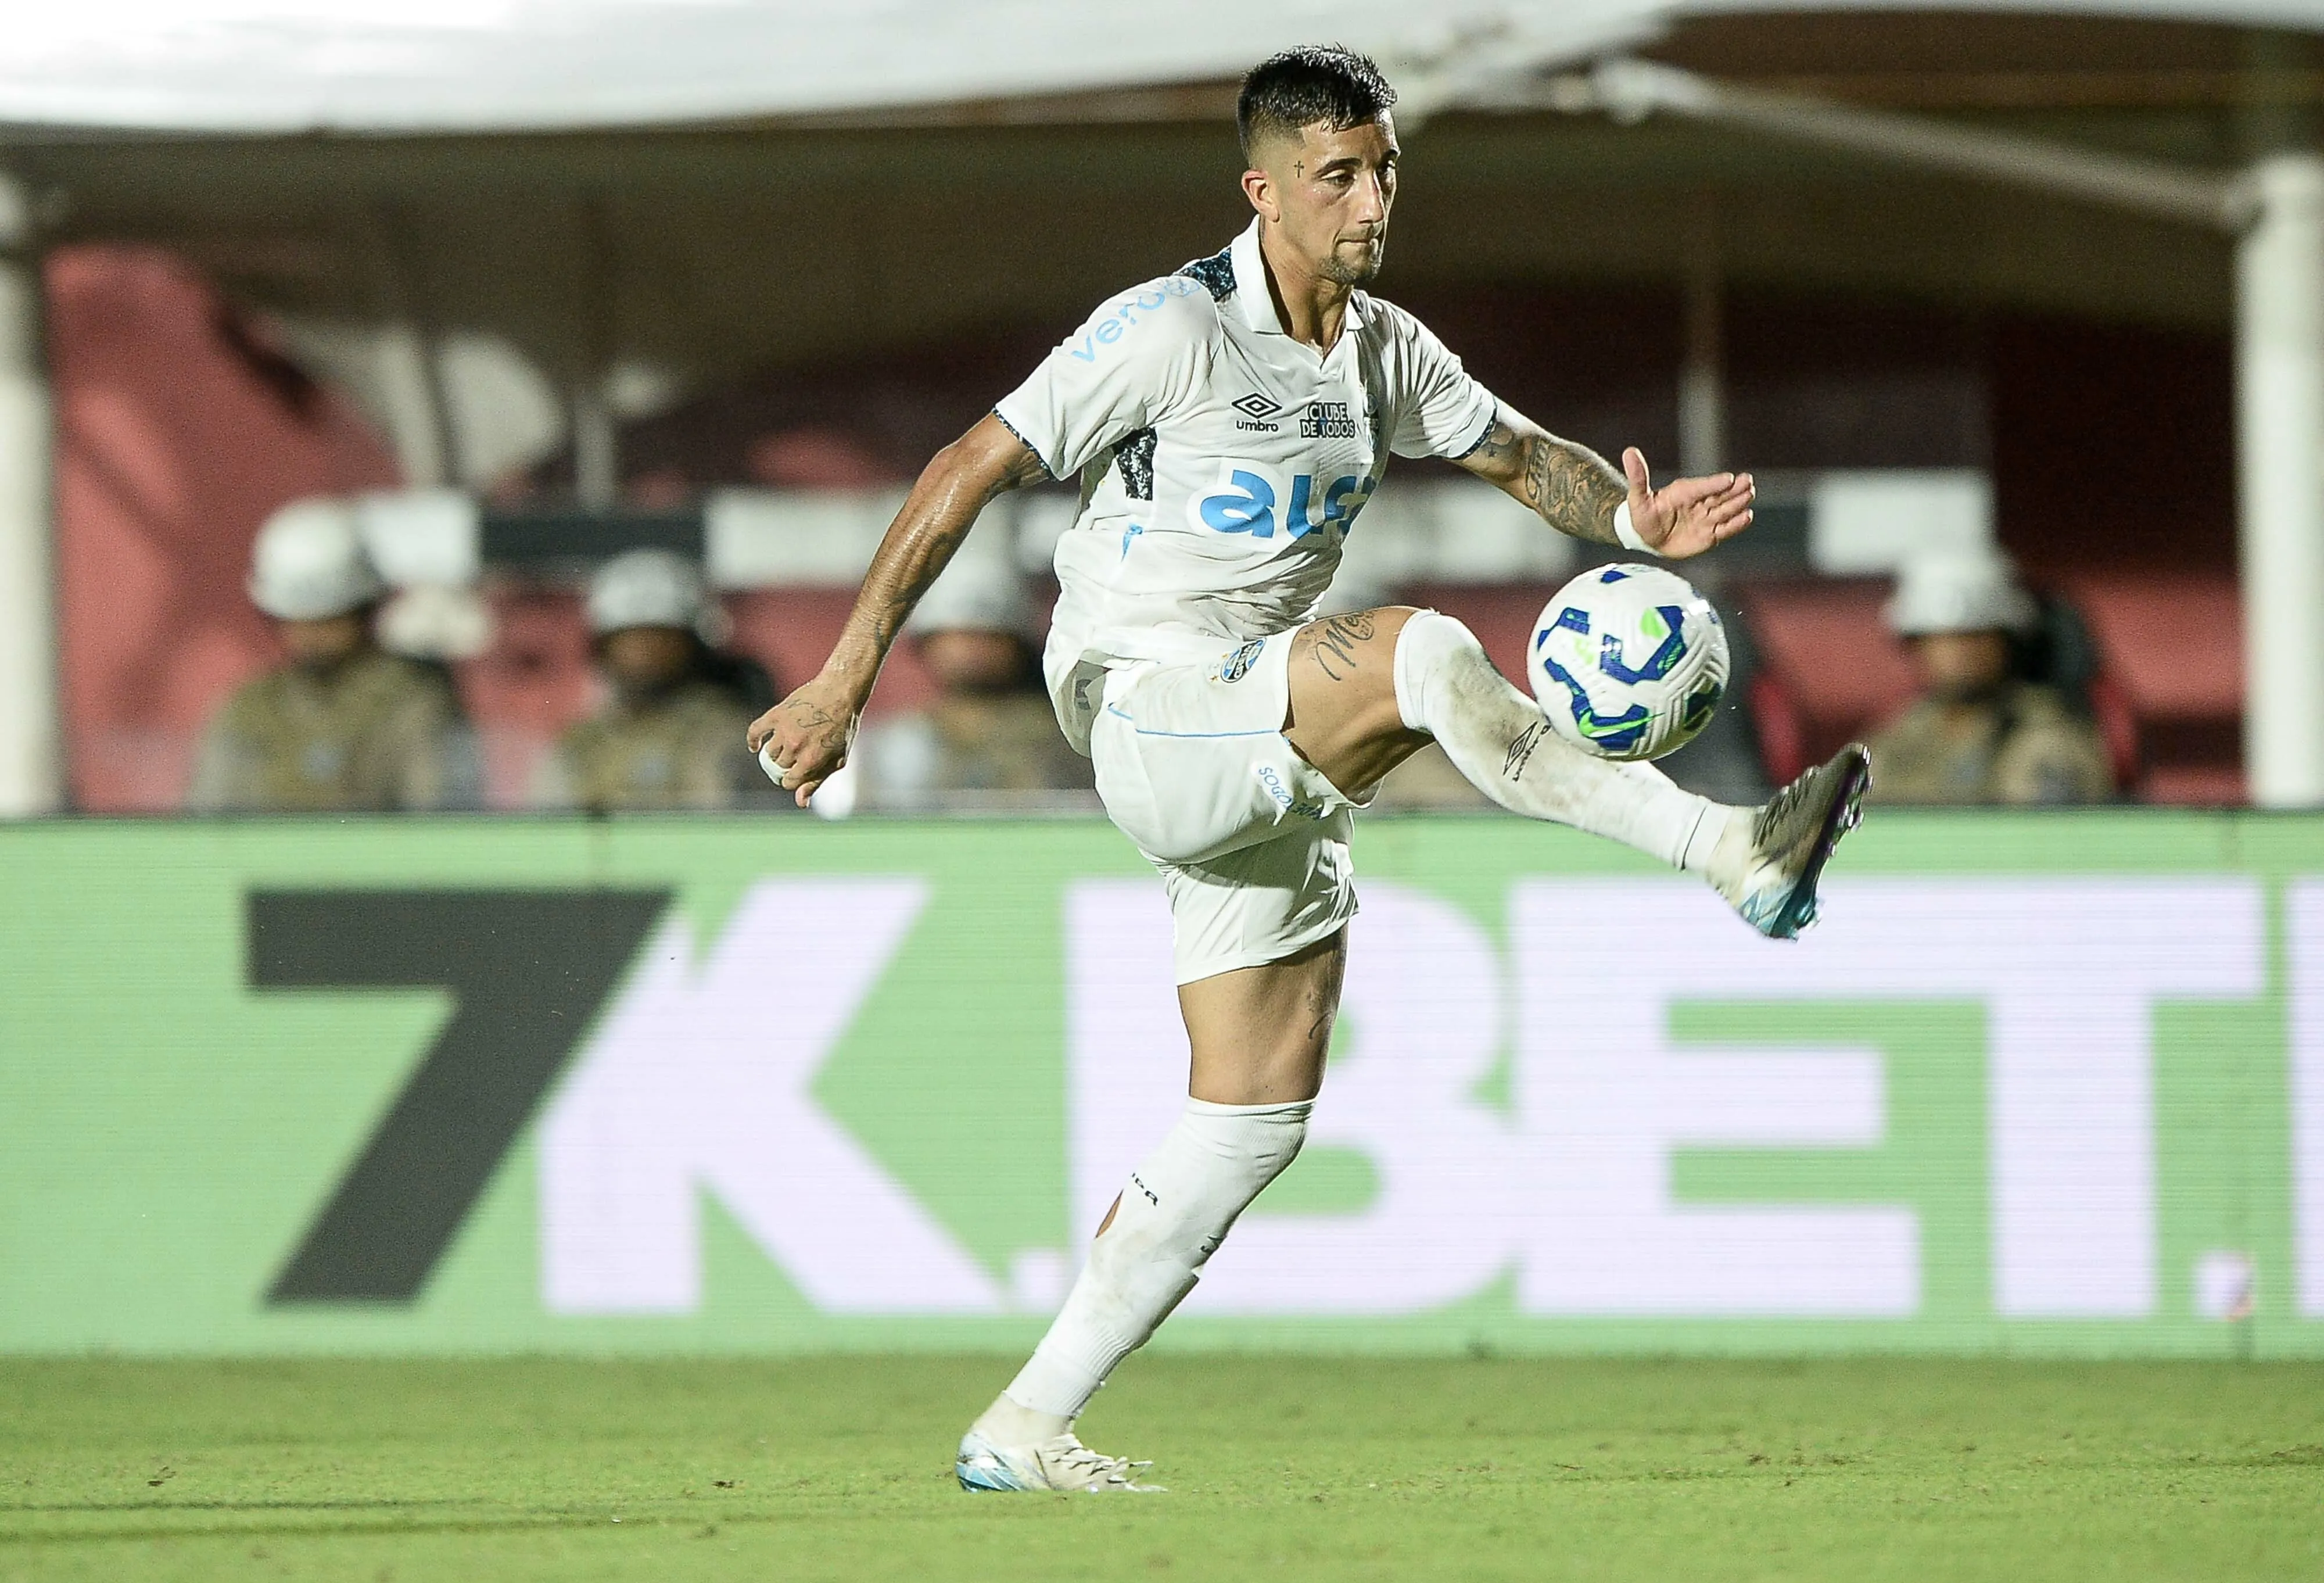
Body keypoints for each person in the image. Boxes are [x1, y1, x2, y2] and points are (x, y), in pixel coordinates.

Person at [748, 46, 1871, 1493]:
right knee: (1413, 653)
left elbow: (1521, 456)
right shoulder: (1169, 329)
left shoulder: (1382, 349)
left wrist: (1633, 526)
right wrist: (846, 675)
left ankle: (1022, 1423)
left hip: (1260, 741)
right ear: (1261, 186)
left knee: (1252, 1110)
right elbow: (969, 462)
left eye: (1385, 165)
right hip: (1148, 707)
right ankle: (1730, 850)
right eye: (1336, 173)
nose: (1368, 197)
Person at [188, 498, 479, 812]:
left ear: (365, 611)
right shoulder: (251, 709)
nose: (310, 636)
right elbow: (208, 823)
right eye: (295, 621)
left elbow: (439, 823)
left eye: (329, 620)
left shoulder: (414, 704)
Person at [1865, 552, 2113, 806]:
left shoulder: (2046, 734)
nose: (1960, 651)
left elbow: (2048, 832)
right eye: (1943, 638)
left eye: (1976, 636)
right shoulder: (1898, 737)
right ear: (1915, 646)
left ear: (2007, 643)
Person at [533, 549, 770, 812]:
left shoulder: (733, 732)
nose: (646, 650)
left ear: (693, 644)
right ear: (603, 647)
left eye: (661, 636)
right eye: (630, 637)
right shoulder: (581, 743)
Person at [850, 557, 1094, 808]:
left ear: (1018, 644)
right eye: (956, 635)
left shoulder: (1068, 737)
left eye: (988, 635)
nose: (971, 649)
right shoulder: (896, 743)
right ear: (926, 644)